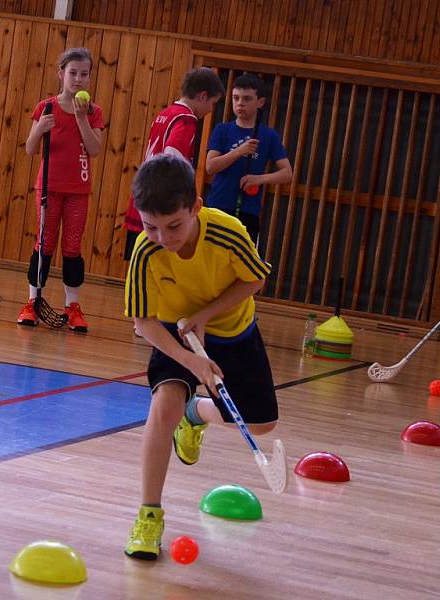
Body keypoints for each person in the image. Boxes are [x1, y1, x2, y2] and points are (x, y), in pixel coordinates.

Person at [123, 155, 279, 560]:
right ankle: (148, 514)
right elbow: (143, 322)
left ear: (195, 206)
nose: (163, 237)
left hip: (234, 330)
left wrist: (207, 315)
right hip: (175, 334)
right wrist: (191, 360)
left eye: (173, 225)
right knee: (163, 407)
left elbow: (255, 277)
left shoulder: (228, 232)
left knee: (262, 424)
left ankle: (198, 413)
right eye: (150, 226)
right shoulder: (145, 251)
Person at [16, 47, 104, 332]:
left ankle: (73, 306)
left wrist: (81, 119)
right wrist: (40, 128)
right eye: (73, 73)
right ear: (61, 74)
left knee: (73, 247)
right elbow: (30, 149)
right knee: (44, 243)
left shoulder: (93, 112)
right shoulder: (47, 107)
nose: (78, 79)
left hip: (78, 189)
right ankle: (32, 302)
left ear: (90, 77)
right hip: (48, 187)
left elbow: (95, 149)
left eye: (84, 74)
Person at [122, 67, 225, 262]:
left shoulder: (167, 113)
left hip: (145, 193)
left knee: (141, 262)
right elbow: (172, 156)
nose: (212, 109)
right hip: (161, 200)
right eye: (213, 102)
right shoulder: (187, 119)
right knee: (157, 264)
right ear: (203, 96)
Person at [205, 74, 292, 243]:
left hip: (248, 210)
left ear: (260, 102)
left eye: (247, 99)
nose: (240, 103)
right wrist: (239, 151)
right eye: (236, 98)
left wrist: (259, 179)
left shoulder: (269, 135)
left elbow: (287, 173)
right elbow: (210, 167)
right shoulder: (222, 130)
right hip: (218, 206)